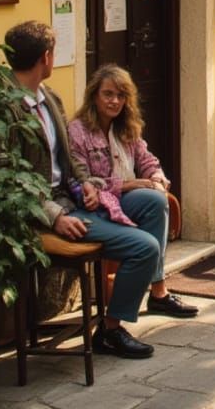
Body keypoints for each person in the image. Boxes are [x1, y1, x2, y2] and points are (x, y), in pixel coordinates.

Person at [1, 22, 160, 359]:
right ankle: (111, 330)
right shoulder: (7, 107)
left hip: (74, 199)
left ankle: (152, 294)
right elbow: (9, 178)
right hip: (48, 212)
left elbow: (68, 161)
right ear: (46, 57)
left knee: (152, 202)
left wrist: (86, 183)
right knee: (144, 247)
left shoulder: (50, 99)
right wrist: (55, 216)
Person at [68, 64, 197, 322]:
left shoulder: (126, 127)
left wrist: (157, 179)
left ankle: (158, 292)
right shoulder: (78, 131)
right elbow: (81, 180)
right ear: (94, 95)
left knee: (155, 200)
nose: (114, 101)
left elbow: (147, 160)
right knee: (144, 241)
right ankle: (119, 319)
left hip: (120, 201)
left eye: (120, 95)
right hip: (95, 204)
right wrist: (126, 184)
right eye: (108, 94)